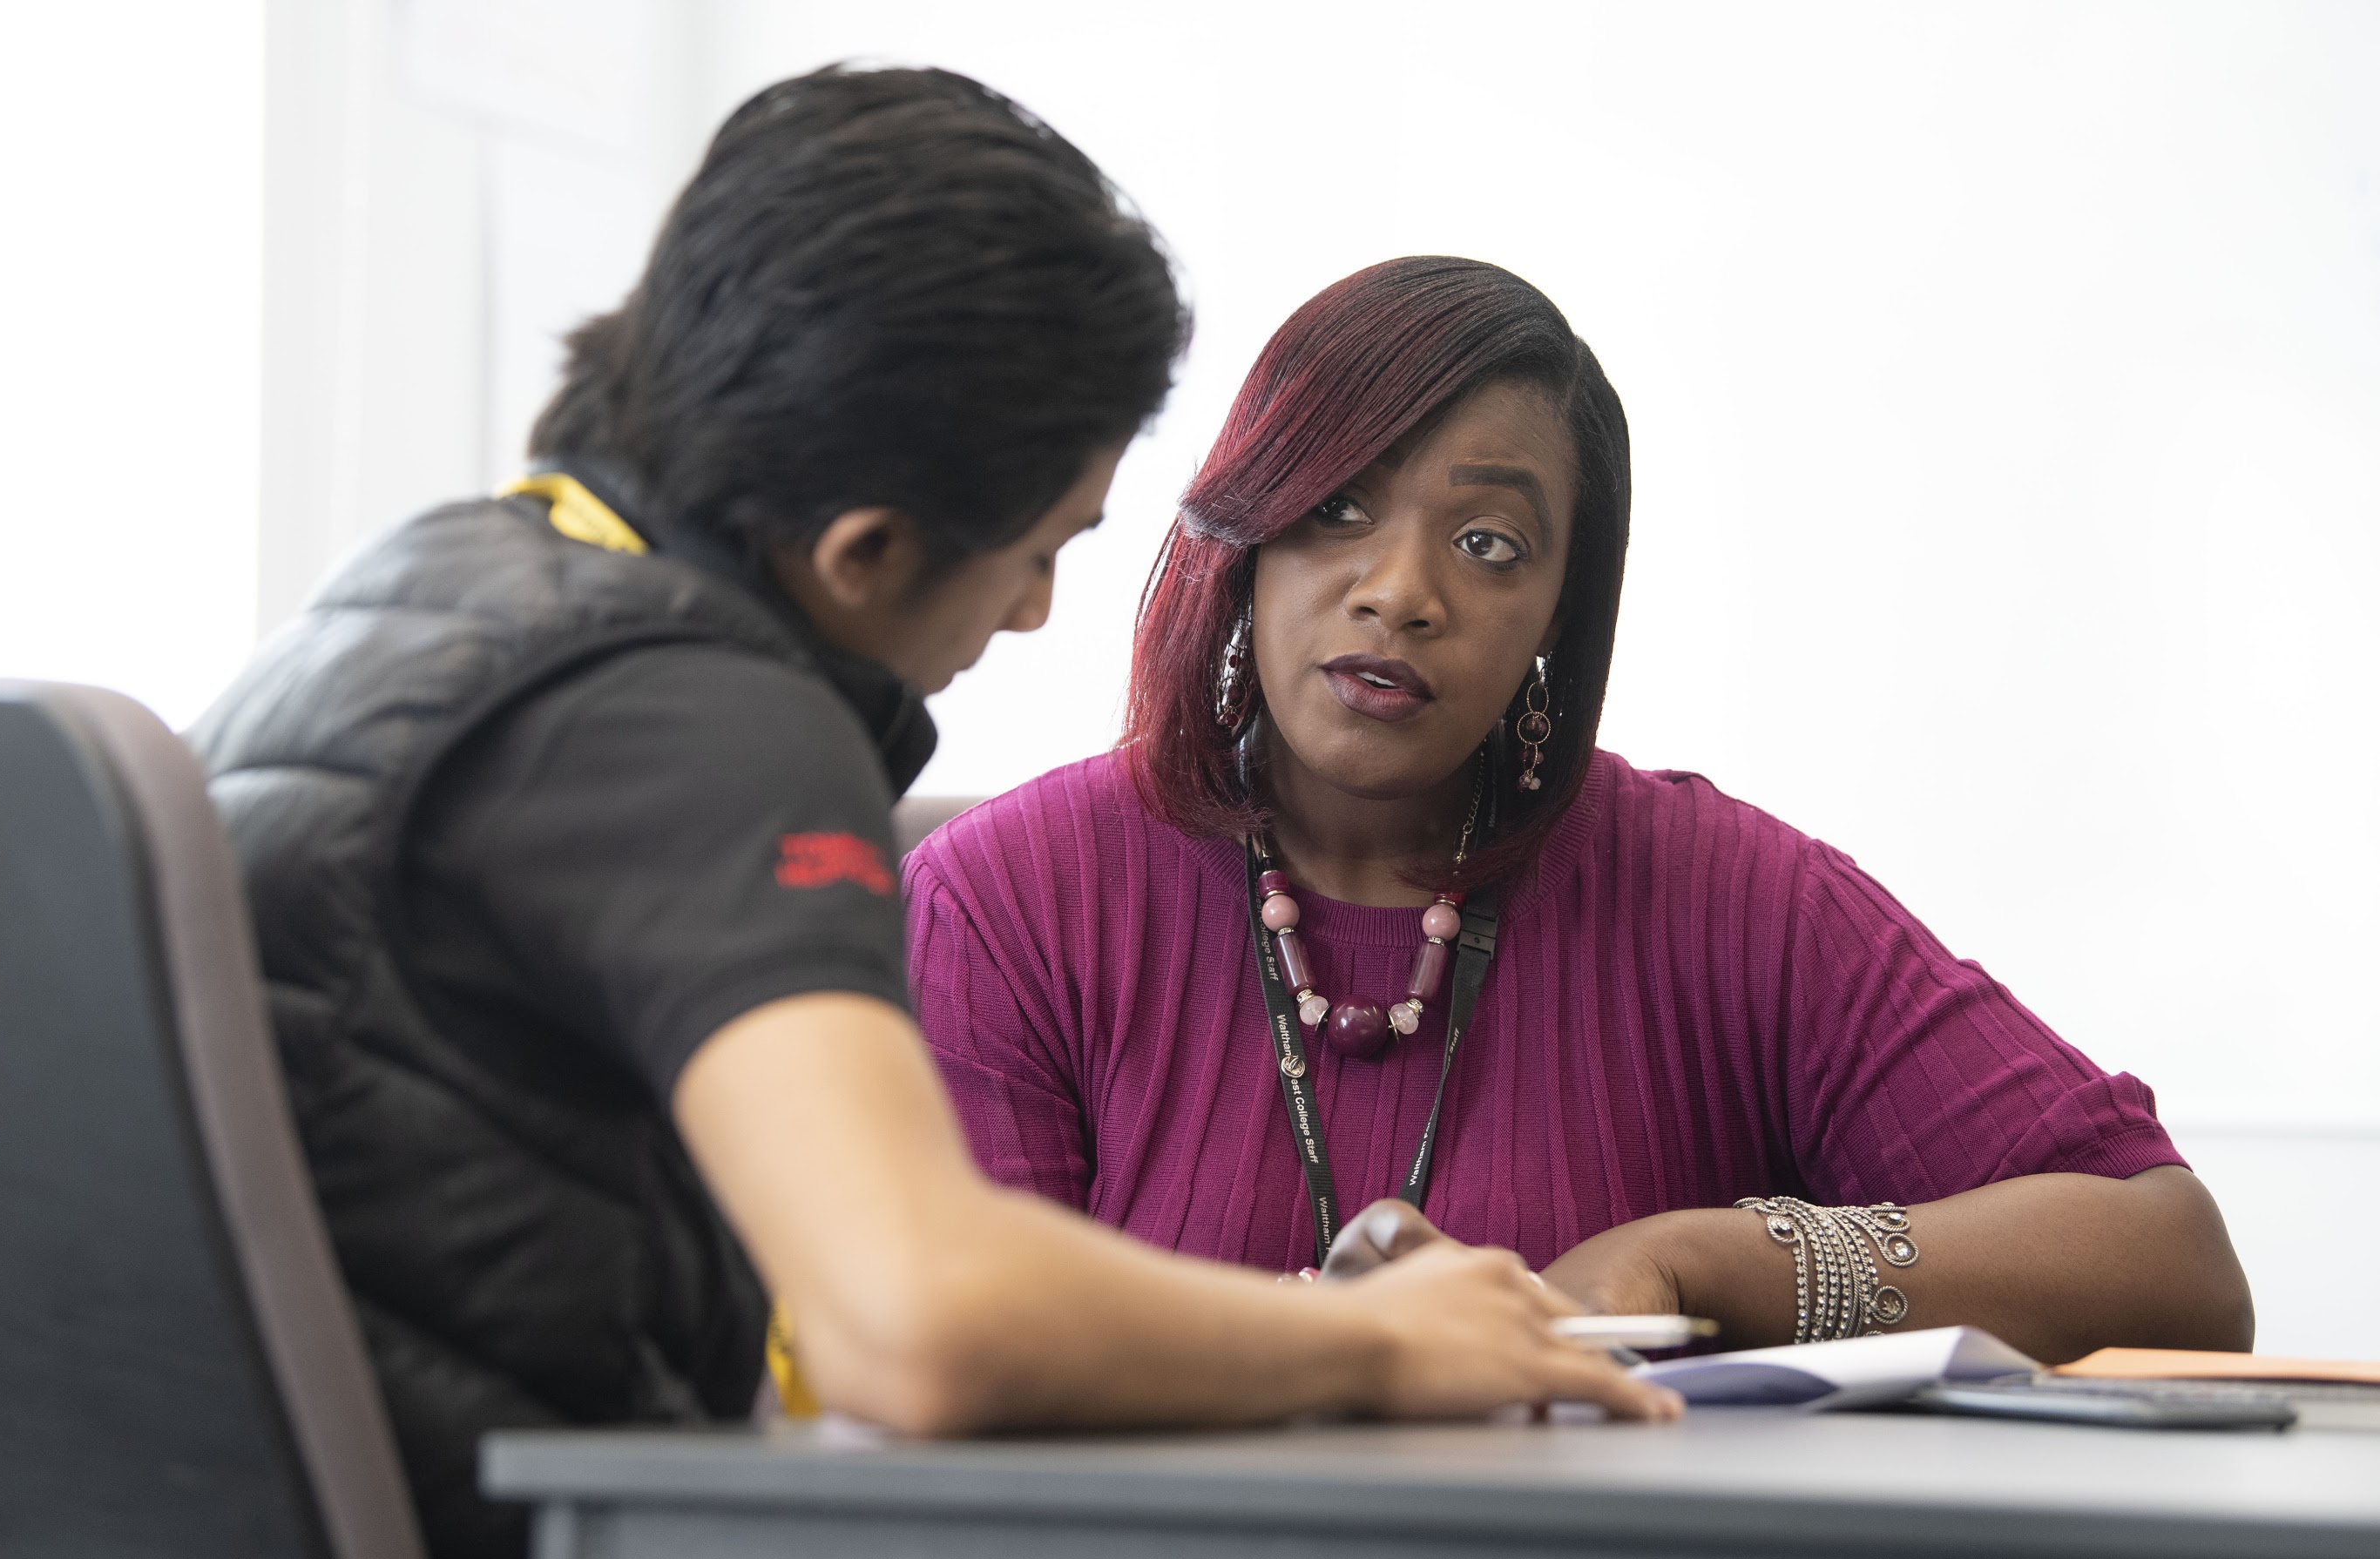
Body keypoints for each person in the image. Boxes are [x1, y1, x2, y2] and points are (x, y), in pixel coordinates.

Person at [193, 78, 1672, 1559]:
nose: (1031, 615)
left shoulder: (418, 598)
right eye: (1041, 554)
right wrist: (1388, 1344)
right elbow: (918, 1319)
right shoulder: (695, 725)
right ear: (867, 551)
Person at [905, 255, 2255, 1367]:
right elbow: (957, 1361)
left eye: (1490, 543)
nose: (1401, 589)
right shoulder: (1011, 898)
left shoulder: (1725, 896)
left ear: (1559, 614)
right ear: (1245, 540)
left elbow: (2172, 1260)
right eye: (1337, 509)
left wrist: (1703, 1259)